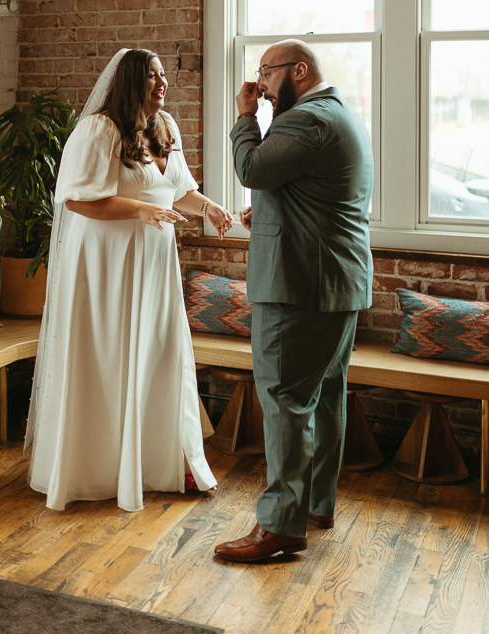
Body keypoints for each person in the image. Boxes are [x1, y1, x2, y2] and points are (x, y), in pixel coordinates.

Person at [24, 48, 233, 512]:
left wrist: (209, 207)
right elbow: (76, 199)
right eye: (153, 77)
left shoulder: (166, 128)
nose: (163, 84)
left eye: (164, 76)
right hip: (106, 263)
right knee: (109, 357)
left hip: (155, 263)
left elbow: (179, 191)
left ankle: (160, 461)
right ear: (132, 82)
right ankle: (98, 468)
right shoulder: (99, 128)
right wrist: (141, 210)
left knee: (160, 353)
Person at [214, 39, 373, 563]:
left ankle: (280, 526)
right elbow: (316, 194)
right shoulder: (338, 113)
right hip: (334, 283)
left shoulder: (305, 120)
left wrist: (244, 118)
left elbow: (253, 170)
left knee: (284, 401)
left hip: (299, 287)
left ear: (298, 70)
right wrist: (274, 211)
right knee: (324, 397)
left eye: (266, 72)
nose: (259, 84)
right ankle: (315, 506)